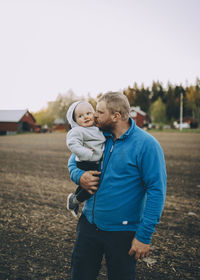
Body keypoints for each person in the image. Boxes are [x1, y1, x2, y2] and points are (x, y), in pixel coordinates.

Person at [68, 92, 167, 280]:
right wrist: (79, 176)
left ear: (116, 116)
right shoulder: (97, 136)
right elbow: (73, 162)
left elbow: (157, 191)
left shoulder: (147, 145)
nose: (94, 116)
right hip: (88, 225)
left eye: (99, 112)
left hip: (123, 233)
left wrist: (144, 236)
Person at [66, 101, 106, 217]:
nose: (85, 117)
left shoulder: (97, 128)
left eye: (88, 113)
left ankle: (73, 197)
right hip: (85, 161)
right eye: (80, 116)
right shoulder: (77, 131)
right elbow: (72, 144)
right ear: (75, 121)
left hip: (93, 160)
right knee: (94, 185)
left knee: (88, 183)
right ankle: (76, 200)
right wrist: (86, 153)